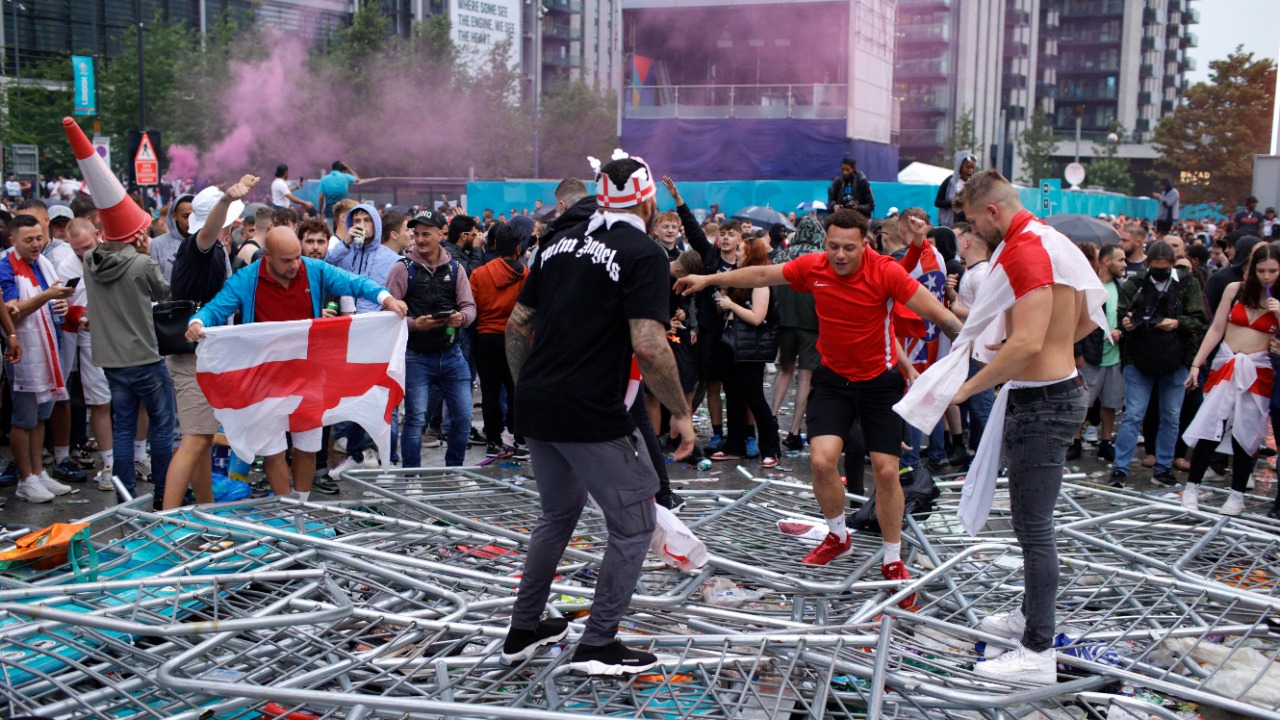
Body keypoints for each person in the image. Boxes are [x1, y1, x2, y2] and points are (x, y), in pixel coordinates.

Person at [677, 209, 961, 585]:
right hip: (834, 381)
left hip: (880, 383)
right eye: (833, 247)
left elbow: (939, 314)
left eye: (848, 248)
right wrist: (709, 278)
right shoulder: (815, 266)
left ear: (866, 244)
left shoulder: (885, 271)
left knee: (887, 471)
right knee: (823, 462)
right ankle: (838, 535)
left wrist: (979, 352)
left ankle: (892, 558)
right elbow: (763, 273)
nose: (840, 255)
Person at [500, 152, 694, 675]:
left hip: (538, 404)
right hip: (590, 410)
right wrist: (681, 413)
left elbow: (517, 326)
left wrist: (532, 391)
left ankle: (523, 629)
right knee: (634, 524)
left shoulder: (555, 244)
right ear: (649, 200)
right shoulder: (644, 252)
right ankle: (598, 643)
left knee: (557, 515)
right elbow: (650, 347)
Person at [919, 169, 1106, 684]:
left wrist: (962, 390)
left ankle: (1038, 650)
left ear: (992, 211)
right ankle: (1031, 619)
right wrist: (1049, 345)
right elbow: (1093, 311)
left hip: (1044, 401)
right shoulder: (1048, 239)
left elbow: (1024, 344)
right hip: (1053, 392)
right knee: (1033, 526)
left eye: (974, 221)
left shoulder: (1024, 249)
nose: (974, 231)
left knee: (1033, 527)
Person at [186, 227, 405, 504]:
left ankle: (299, 505)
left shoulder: (314, 269)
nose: (295, 265)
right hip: (265, 378)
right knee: (273, 450)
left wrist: (387, 299)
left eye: (297, 258)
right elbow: (215, 308)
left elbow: (356, 283)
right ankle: (287, 509)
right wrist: (196, 323)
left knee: (308, 446)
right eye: (286, 260)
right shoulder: (247, 279)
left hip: (308, 374)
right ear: (268, 256)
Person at [1181, 243, 1280, 518]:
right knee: (1211, 424)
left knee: (1246, 434)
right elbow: (1216, 328)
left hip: (1259, 370)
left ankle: (1237, 495)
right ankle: (1192, 487)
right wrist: (1196, 363)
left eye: (1272, 270)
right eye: (1261, 270)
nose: (1266, 276)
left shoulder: (1277, 299)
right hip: (1226, 363)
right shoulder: (1234, 289)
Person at [165, 179, 246, 508]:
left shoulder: (214, 251)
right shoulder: (199, 248)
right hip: (192, 356)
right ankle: (166, 520)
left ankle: (206, 508)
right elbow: (207, 233)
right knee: (195, 440)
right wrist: (226, 200)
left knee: (200, 439)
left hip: (204, 354)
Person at [1109, 240, 1208, 489]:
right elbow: (1122, 317)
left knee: (1171, 416)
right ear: (1148, 264)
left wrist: (1176, 323)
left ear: (1173, 265)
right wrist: (1128, 324)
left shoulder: (1188, 283)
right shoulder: (1136, 284)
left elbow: (1200, 321)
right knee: (1133, 415)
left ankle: (1163, 468)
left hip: (1176, 358)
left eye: (1164, 268)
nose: (1159, 272)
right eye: (1155, 268)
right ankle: (1120, 469)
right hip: (1139, 357)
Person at [385, 210, 476, 468]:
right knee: (415, 420)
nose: (420, 240)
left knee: (463, 417)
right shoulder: (402, 269)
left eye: (426, 234)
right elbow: (388, 315)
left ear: (440, 234)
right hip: (416, 356)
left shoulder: (456, 268)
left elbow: (469, 306)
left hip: (452, 354)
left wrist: (462, 319)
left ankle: (454, 470)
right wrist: (416, 324)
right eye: (416, 234)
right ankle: (411, 475)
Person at [0, 214, 74, 502]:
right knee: (24, 418)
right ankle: (25, 477)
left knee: (41, 414)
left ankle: (38, 473)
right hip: (24, 350)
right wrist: (47, 297)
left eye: (38, 238)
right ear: (13, 241)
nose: (35, 244)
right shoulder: (6, 267)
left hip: (48, 346)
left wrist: (61, 303)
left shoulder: (42, 264)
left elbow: (50, 298)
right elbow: (13, 309)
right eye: (28, 240)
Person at [707, 235, 782, 467]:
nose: (736, 253)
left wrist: (731, 305)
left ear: (751, 255)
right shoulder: (738, 281)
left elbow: (757, 317)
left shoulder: (760, 283)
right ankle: (734, 446)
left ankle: (771, 448)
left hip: (749, 350)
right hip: (730, 348)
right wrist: (725, 298)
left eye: (740, 250)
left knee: (754, 398)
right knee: (733, 398)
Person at [58, 218, 116, 489]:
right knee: (100, 402)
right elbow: (59, 305)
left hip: (122, 337)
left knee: (133, 401)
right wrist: (79, 315)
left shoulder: (116, 255)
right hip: (88, 339)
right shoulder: (65, 265)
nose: (82, 254)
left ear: (98, 234)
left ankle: (135, 456)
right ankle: (109, 464)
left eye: (86, 247)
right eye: (76, 249)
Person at [469, 221, 528, 458]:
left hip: (487, 340)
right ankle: (520, 440)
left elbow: (471, 310)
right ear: (517, 249)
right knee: (517, 391)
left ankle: (493, 441)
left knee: (490, 393)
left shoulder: (479, 274)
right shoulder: (527, 275)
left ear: (492, 244)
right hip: (517, 340)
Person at [770, 216, 825, 452]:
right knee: (805, 378)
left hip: (785, 323)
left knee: (784, 370)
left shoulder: (781, 256)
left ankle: (771, 418)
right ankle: (794, 431)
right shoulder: (822, 259)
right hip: (812, 325)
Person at [1070, 243, 1125, 462]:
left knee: (1111, 403)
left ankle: (1106, 441)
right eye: (1120, 260)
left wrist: (1121, 330)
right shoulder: (1088, 287)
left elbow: (1125, 316)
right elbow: (1076, 321)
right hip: (1091, 355)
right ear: (1106, 261)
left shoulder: (1123, 288)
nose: (1124, 264)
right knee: (1084, 401)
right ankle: (1075, 441)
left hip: (1115, 356)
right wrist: (1078, 353)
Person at [149, 193, 194, 283]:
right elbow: (154, 281)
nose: (190, 221)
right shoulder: (157, 244)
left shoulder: (209, 243)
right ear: (175, 216)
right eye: (185, 216)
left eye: (194, 216)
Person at [935, 151, 976, 227]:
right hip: (949, 224)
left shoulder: (973, 185)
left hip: (966, 225)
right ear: (960, 167)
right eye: (968, 167)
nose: (970, 170)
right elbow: (938, 202)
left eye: (972, 168)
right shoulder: (949, 182)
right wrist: (951, 203)